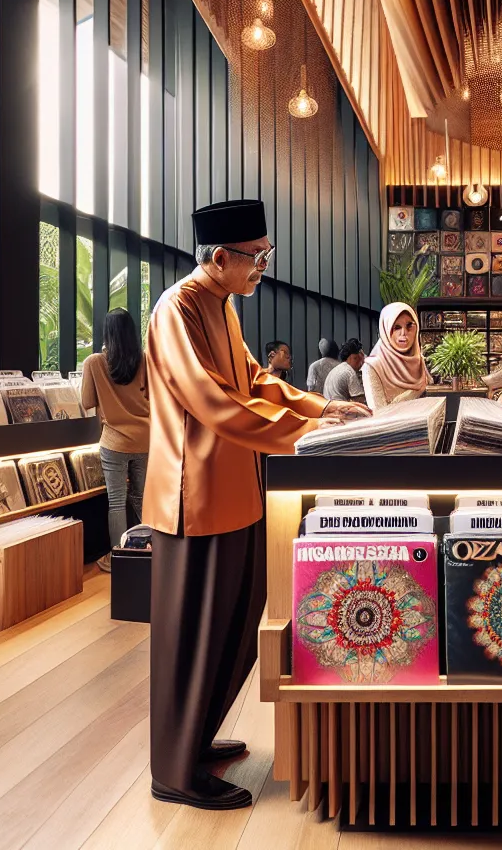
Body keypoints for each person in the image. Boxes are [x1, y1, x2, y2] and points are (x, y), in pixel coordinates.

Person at [144, 198, 370, 810]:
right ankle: (174, 769)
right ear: (220, 258)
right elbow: (212, 403)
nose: (263, 267)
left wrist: (324, 407)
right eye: (257, 257)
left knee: (233, 628)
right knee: (193, 634)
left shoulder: (222, 305)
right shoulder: (177, 309)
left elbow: (255, 381)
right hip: (193, 497)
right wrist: (306, 434)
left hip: (237, 491)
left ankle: (193, 737)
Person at [80, 307, 151, 571]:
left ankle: (118, 558)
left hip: (114, 442)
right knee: (142, 498)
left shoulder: (95, 362)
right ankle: (150, 549)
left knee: (117, 501)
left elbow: (87, 401)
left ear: (107, 333)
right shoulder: (144, 361)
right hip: (146, 439)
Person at [362, 302, 432, 407]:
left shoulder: (418, 360)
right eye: (396, 327)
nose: (403, 333)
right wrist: (415, 392)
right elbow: (379, 412)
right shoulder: (373, 366)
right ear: (385, 330)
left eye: (409, 326)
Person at [322, 339, 368, 404]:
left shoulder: (339, 368)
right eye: (361, 360)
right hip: (341, 410)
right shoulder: (349, 372)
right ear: (354, 357)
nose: (361, 364)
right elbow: (359, 399)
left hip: (329, 408)